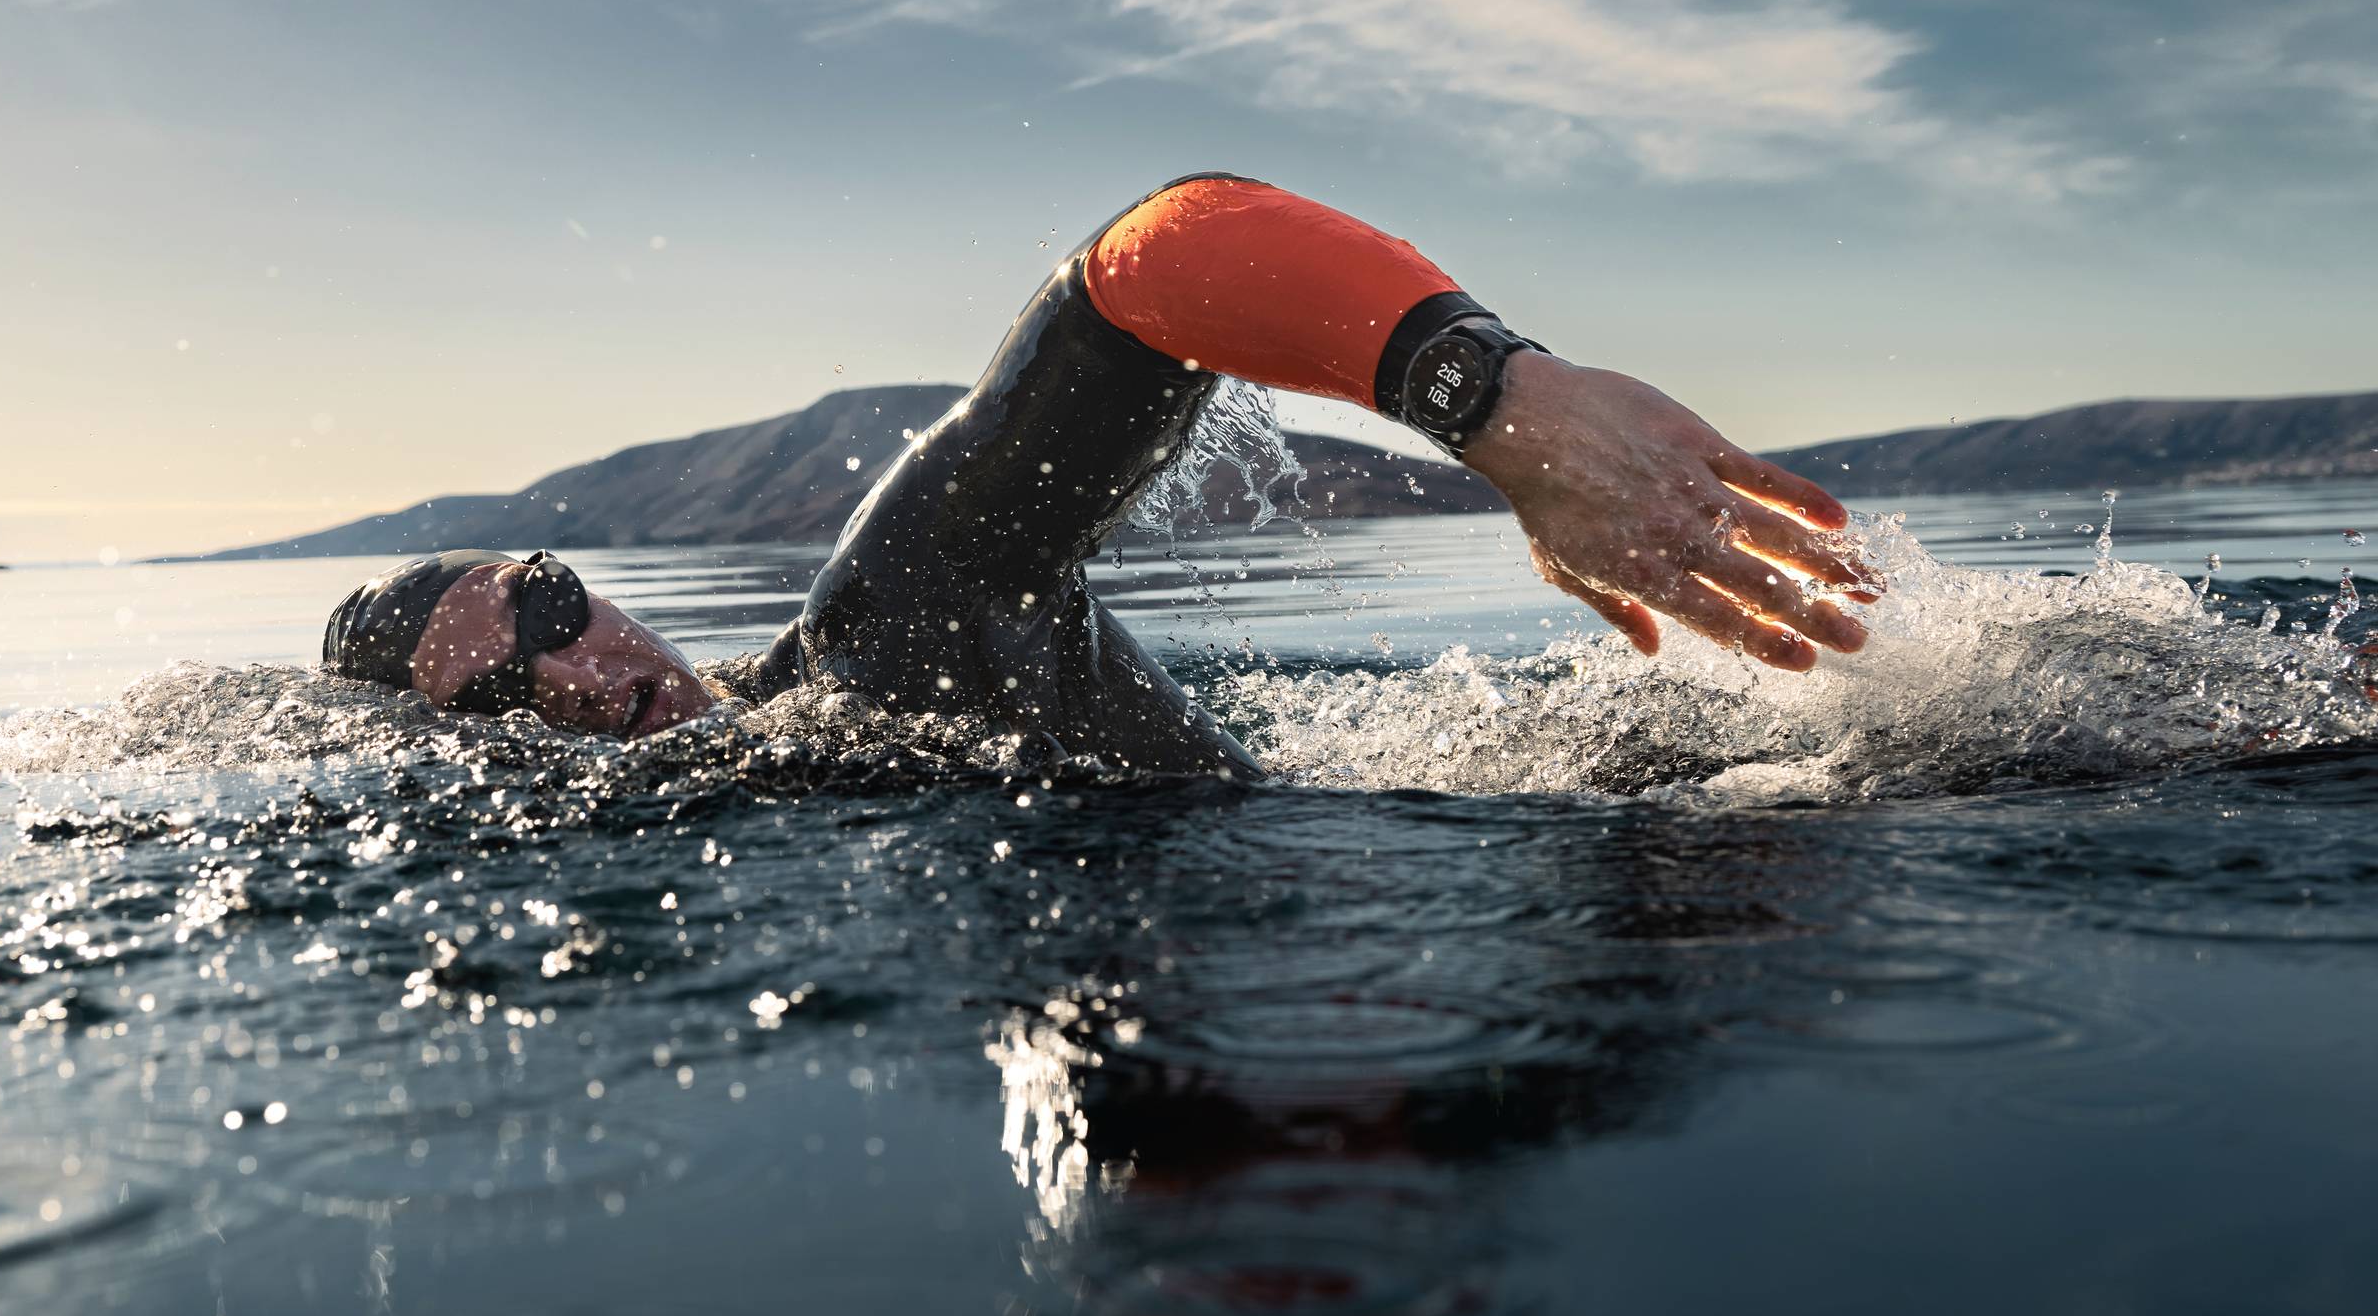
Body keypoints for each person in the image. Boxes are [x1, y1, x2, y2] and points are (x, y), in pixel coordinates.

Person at [323, 172, 1878, 776]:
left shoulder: (887, 626)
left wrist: (1498, 401)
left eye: (549, 605)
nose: (579, 678)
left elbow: (1162, 259)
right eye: (509, 697)